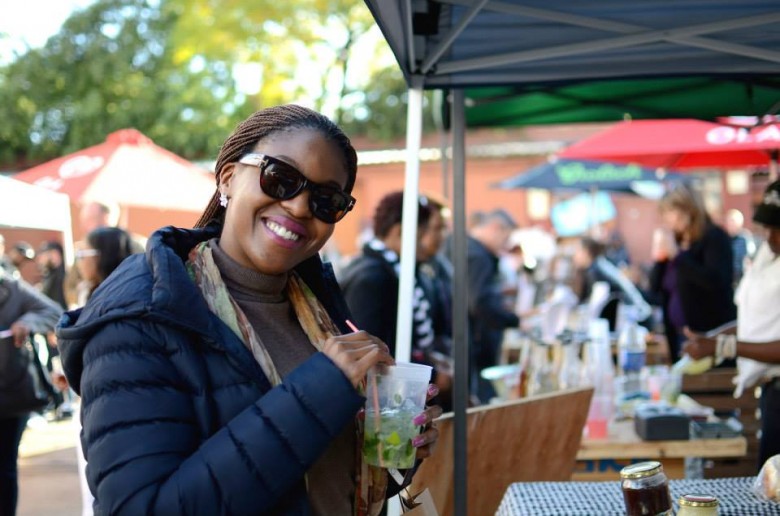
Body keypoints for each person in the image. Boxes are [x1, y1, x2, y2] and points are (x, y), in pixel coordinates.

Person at [57, 105, 441, 515]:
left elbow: (322, 480)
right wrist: (321, 390)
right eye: (280, 178)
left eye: (326, 200)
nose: (298, 207)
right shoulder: (141, 318)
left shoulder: (317, 308)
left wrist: (393, 449)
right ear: (227, 178)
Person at [683, 180, 780, 469]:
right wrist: (712, 339)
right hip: (771, 393)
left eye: (778, 228)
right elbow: (755, 322)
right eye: (767, 227)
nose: (771, 236)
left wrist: (721, 345)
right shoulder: (767, 255)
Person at [649, 183, 736, 363]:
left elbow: (716, 281)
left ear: (687, 210)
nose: (667, 219)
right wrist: (658, 258)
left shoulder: (714, 237)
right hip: (678, 334)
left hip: (708, 334)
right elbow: (655, 288)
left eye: (669, 212)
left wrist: (678, 257)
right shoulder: (676, 241)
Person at [1, 268, 63, 515]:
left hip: (11, 393)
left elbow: (54, 311)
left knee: (4, 467)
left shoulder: (12, 287)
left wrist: (27, 323)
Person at [461, 208, 521, 403]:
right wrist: (512, 320)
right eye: (506, 237)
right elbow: (478, 303)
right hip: (476, 343)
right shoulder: (477, 255)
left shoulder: (470, 249)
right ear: (495, 228)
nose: (506, 244)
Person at [724, 208, 756, 285]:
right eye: (729, 222)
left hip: (742, 279)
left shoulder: (745, 238)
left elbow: (751, 256)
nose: (731, 225)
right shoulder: (723, 239)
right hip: (728, 278)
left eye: (733, 222)